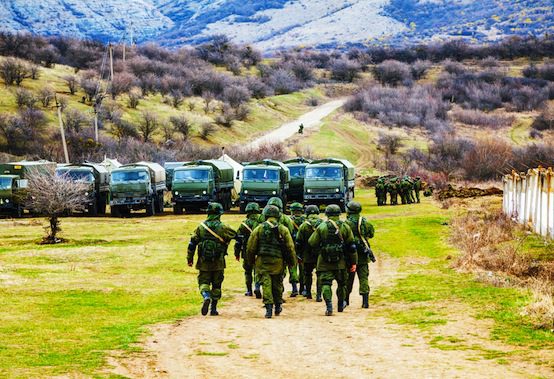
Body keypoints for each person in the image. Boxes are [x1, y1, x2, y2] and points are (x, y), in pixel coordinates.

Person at [187, 202, 237, 316]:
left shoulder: (200, 228)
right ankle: (213, 309)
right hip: (218, 262)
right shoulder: (224, 228)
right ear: (219, 214)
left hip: (203, 262)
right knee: (217, 285)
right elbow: (237, 236)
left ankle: (206, 296)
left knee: (203, 282)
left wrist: (189, 259)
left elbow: (192, 244)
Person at [247, 205, 296, 318]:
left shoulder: (258, 229)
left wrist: (251, 262)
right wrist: (292, 262)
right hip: (278, 261)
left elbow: (251, 248)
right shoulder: (283, 229)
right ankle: (278, 305)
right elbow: (290, 247)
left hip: (263, 261)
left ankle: (269, 308)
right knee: (277, 283)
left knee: (266, 283)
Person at [308, 204, 357, 316]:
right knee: (342, 284)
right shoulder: (345, 227)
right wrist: (353, 262)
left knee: (325, 283)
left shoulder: (321, 227)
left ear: (327, 215)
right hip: (341, 262)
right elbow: (351, 246)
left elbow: (312, 242)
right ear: (339, 214)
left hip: (324, 261)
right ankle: (340, 304)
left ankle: (329, 306)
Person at [259, 197, 298, 296]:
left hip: (265, 248)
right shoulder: (285, 218)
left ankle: (259, 288)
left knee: (263, 271)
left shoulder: (263, 217)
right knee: (285, 269)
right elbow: (290, 232)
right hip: (282, 248)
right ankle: (293, 288)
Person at [344, 201, 375, 309]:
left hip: (350, 255)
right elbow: (371, 234)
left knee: (348, 278)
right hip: (363, 254)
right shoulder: (365, 222)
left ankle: (346, 300)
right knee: (363, 277)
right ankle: (365, 301)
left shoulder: (346, 223)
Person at [295, 204, 323, 300]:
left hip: (307, 254)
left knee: (307, 273)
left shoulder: (303, 226)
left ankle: (308, 293)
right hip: (320, 255)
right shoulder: (323, 224)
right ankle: (319, 295)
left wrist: (298, 254)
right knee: (319, 274)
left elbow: (298, 242)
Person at [235, 202, 261, 297]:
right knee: (258, 270)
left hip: (247, 251)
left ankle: (249, 290)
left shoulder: (243, 225)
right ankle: (257, 287)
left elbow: (238, 241)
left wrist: (236, 253)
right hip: (259, 251)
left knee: (248, 271)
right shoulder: (261, 223)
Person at [289, 202, 306, 296]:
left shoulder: (288, 221)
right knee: (303, 268)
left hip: (292, 247)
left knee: (292, 267)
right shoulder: (305, 221)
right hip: (303, 247)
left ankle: (294, 288)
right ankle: (303, 288)